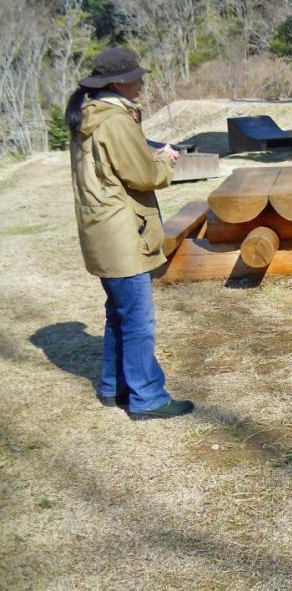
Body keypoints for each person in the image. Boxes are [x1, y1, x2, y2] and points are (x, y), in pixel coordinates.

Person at [66, 47, 194, 420]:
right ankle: (147, 397)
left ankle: (113, 387)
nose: (141, 82)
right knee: (138, 319)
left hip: (102, 232)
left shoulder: (91, 115)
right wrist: (164, 162)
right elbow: (140, 175)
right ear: (119, 82)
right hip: (121, 234)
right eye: (137, 77)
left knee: (119, 314)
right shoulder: (114, 120)